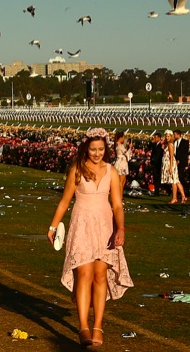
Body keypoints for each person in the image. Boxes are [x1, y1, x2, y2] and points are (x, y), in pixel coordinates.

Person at [48, 128, 133, 347]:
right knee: (83, 273)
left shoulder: (112, 171)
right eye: (93, 149)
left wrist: (120, 229)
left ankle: (98, 326)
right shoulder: (77, 170)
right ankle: (84, 326)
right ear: (86, 148)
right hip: (81, 225)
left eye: (100, 149)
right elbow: (65, 200)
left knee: (100, 275)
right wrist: (53, 226)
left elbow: (117, 205)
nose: (96, 153)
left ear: (106, 149)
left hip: (104, 227)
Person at [162, 130, 186, 204]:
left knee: (174, 181)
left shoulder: (170, 144)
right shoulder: (168, 144)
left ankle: (175, 197)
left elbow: (171, 156)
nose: (167, 137)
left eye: (168, 136)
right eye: (166, 136)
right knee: (176, 181)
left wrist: (171, 167)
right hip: (169, 164)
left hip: (171, 164)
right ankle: (182, 196)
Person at [173, 129, 190, 199]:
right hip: (175, 163)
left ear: (178, 134)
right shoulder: (174, 142)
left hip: (182, 163)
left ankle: (185, 191)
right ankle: (178, 193)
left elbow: (184, 153)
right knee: (176, 178)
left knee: (181, 178)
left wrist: (179, 160)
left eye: (175, 134)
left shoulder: (185, 142)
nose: (174, 136)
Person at [148, 131, 164, 195]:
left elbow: (158, 152)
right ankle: (156, 191)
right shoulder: (154, 144)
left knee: (158, 177)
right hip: (154, 162)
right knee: (155, 177)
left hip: (159, 162)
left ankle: (160, 190)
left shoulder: (161, 145)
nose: (155, 139)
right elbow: (149, 148)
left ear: (159, 138)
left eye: (156, 138)